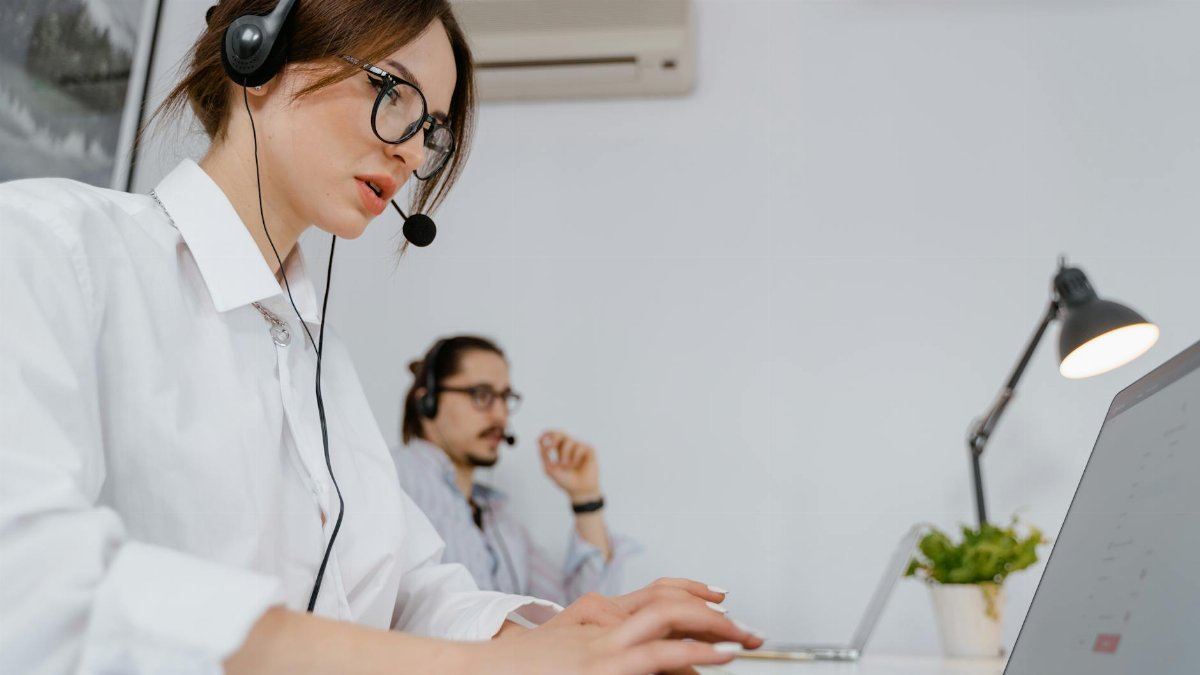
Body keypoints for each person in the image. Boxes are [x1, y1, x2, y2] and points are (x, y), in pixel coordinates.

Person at [0, 1, 762, 673]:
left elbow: (411, 592)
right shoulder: (48, 247)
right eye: (392, 91)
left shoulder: (318, 359)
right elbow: (36, 590)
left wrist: (557, 634)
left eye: (430, 127)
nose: (410, 150)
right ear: (258, 55)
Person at [394, 335, 639, 605]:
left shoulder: (502, 524)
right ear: (427, 401)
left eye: (505, 397)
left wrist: (586, 497)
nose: (500, 416)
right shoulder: (392, 480)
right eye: (482, 395)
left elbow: (582, 611)